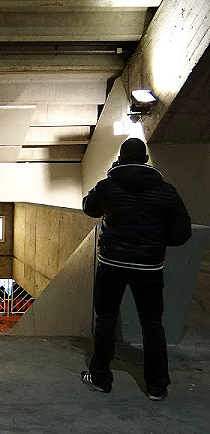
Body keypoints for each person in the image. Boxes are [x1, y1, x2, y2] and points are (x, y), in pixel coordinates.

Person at [80, 137, 191, 401]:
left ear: (120, 158)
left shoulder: (108, 186)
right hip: (150, 267)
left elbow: (88, 207)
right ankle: (157, 386)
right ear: (145, 160)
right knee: (152, 323)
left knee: (105, 319)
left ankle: (102, 379)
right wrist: (155, 243)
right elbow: (182, 232)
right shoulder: (166, 191)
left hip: (112, 263)